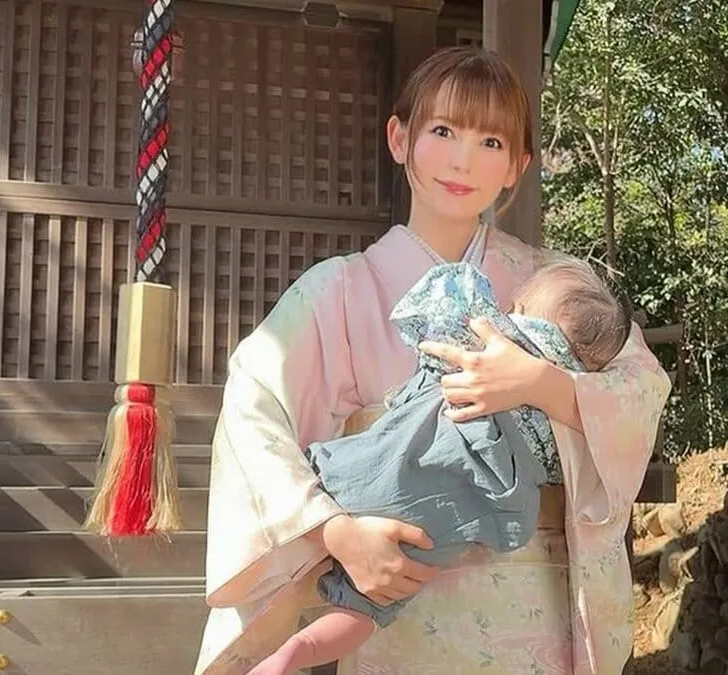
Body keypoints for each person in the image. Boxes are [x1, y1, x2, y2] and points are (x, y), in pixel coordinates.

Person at [194, 45, 671, 675]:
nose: (462, 160)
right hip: (396, 591)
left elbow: (641, 388)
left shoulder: (557, 283)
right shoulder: (340, 290)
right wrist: (334, 533)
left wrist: (541, 383)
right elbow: (253, 411)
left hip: (535, 601)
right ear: (400, 138)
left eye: (491, 142)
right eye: (443, 130)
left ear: (518, 166)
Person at [246, 257, 634, 674]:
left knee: (301, 549)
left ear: (519, 309)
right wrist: (553, 389)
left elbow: (441, 300)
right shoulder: (595, 341)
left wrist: (329, 527)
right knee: (365, 609)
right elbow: (625, 415)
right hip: (454, 540)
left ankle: (284, 638)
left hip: (362, 477)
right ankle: (301, 647)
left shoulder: (483, 333)